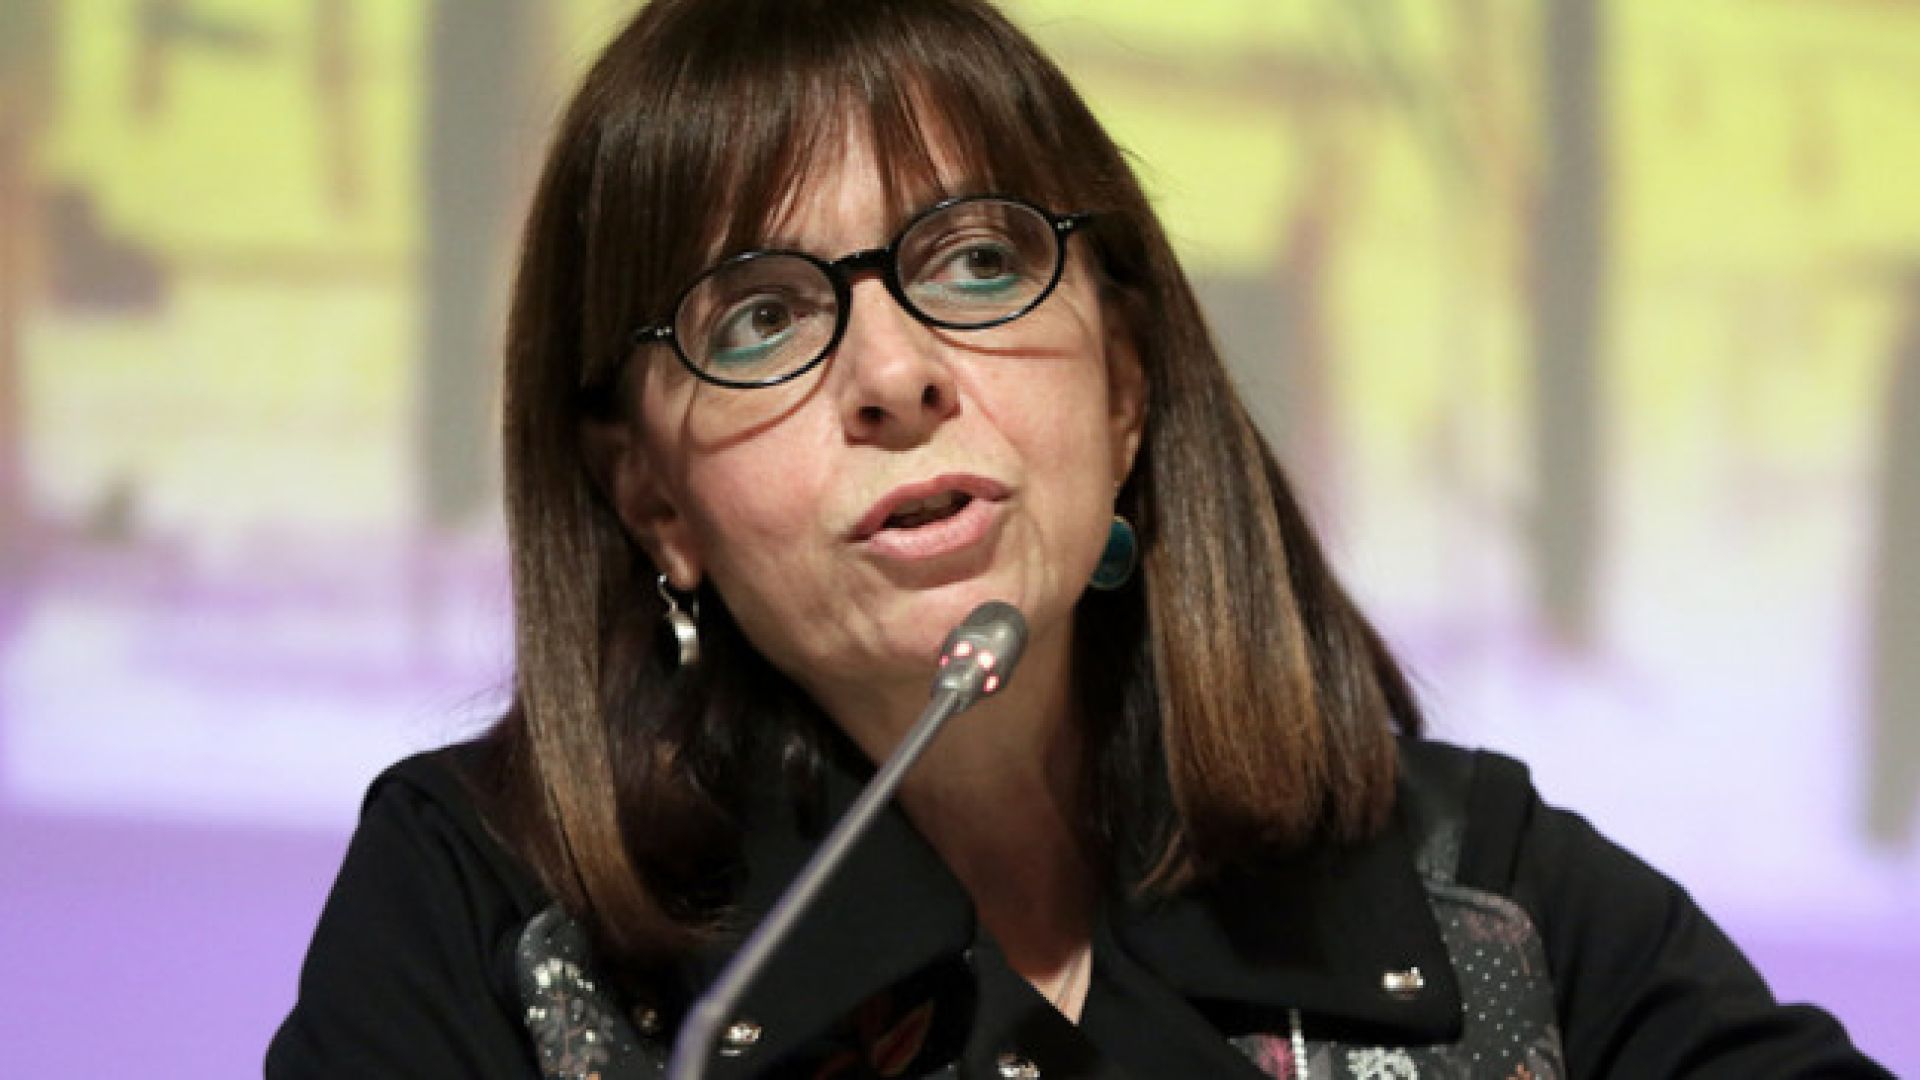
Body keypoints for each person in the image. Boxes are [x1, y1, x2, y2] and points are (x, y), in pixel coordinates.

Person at [267, 1, 1891, 1077]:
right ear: (653, 502)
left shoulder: (1474, 893)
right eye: (761, 316)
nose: (896, 374)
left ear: (1123, 390)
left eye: (975, 262)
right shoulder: (490, 914)